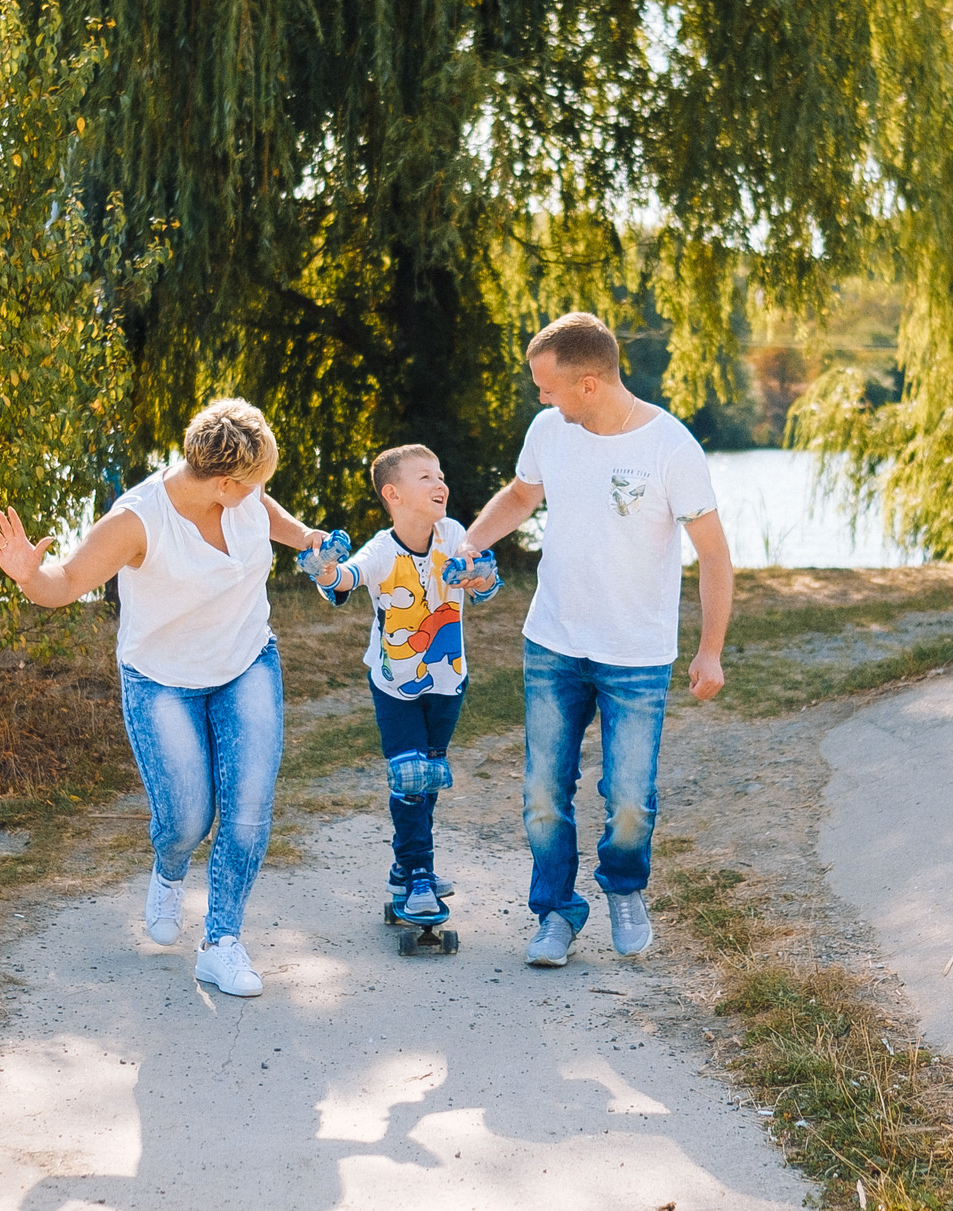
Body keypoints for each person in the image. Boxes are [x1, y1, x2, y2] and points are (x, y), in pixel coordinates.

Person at [0, 398, 331, 998]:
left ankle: (221, 944)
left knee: (247, 812)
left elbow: (264, 510)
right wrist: (25, 575)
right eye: (253, 485)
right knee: (187, 819)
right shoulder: (137, 521)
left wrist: (305, 538)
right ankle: (170, 869)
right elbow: (64, 584)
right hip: (161, 679)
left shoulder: (241, 497)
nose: (259, 494)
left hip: (247, 663)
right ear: (224, 484)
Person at [464, 312, 733, 968]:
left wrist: (711, 648)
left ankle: (623, 888)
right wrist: (468, 543)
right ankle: (556, 910)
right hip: (553, 642)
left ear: (588, 383)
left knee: (630, 793)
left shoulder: (671, 448)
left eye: (546, 386)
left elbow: (715, 557)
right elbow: (522, 495)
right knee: (543, 789)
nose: (539, 398)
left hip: (636, 655)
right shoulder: (550, 430)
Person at [301, 443, 501, 930]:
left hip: (448, 680)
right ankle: (418, 875)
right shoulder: (380, 551)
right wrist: (325, 568)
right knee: (410, 776)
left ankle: (406, 864)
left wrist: (477, 574)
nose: (441, 484)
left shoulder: (452, 534)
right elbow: (344, 580)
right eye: (426, 478)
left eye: (441, 475)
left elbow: (483, 580)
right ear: (393, 493)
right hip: (395, 684)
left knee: (428, 777)